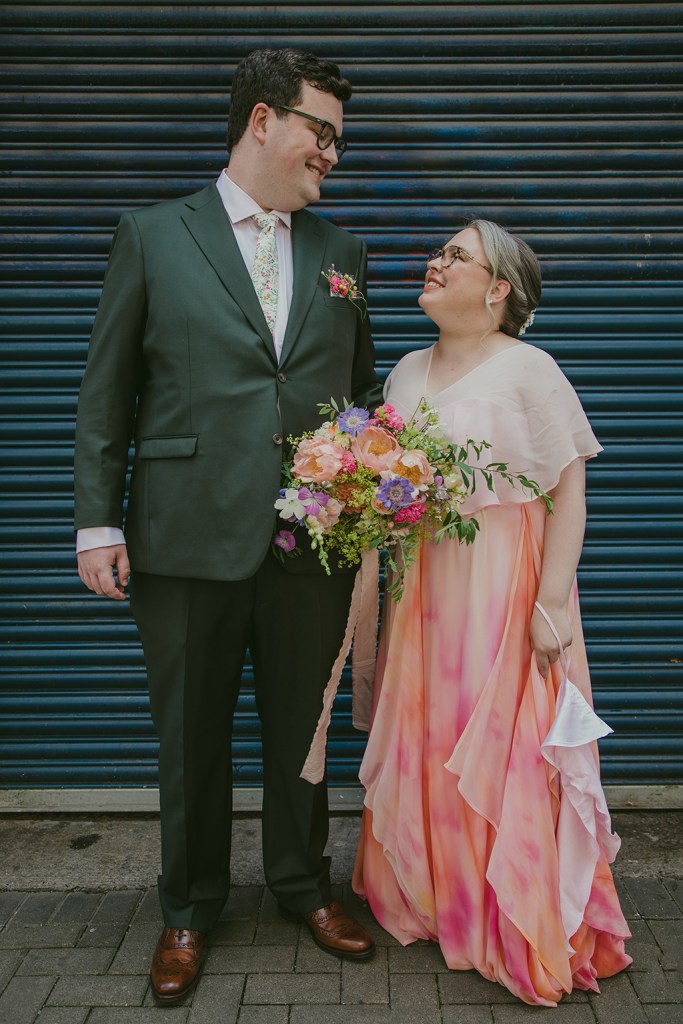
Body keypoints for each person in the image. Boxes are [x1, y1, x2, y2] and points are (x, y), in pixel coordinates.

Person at [74, 48, 382, 1004]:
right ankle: (189, 906)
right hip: (183, 537)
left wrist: (371, 483)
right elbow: (107, 390)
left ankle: (302, 886)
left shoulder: (341, 253)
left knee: (304, 732)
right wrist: (96, 525)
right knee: (191, 735)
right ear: (261, 120)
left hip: (310, 542)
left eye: (337, 136)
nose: (331, 151)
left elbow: (360, 389)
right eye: (319, 130)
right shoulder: (153, 234)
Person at [352, 220, 632, 1006]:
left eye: (455, 256)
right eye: (436, 251)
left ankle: (510, 916)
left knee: (499, 741)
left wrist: (552, 606)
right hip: (424, 590)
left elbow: (568, 493)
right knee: (431, 733)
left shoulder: (529, 369)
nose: (434, 262)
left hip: (505, 584)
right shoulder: (405, 370)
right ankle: (443, 902)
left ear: (498, 288)